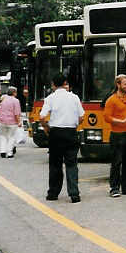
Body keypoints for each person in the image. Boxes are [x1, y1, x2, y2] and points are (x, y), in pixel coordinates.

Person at [40, 74, 84, 203]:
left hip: (56, 133)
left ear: (53, 84)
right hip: (71, 132)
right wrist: (74, 124)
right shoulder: (74, 97)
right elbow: (82, 117)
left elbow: (42, 117)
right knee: (71, 164)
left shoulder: (50, 98)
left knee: (55, 164)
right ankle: (74, 194)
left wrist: (46, 128)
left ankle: (53, 193)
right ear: (65, 83)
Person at [0, 86, 22, 158]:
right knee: (11, 137)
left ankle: (2, 151)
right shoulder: (16, 101)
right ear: (14, 93)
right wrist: (19, 122)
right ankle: (9, 153)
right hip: (12, 122)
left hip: (2, 121)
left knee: (3, 136)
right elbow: (17, 113)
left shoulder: (3, 99)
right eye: (16, 92)